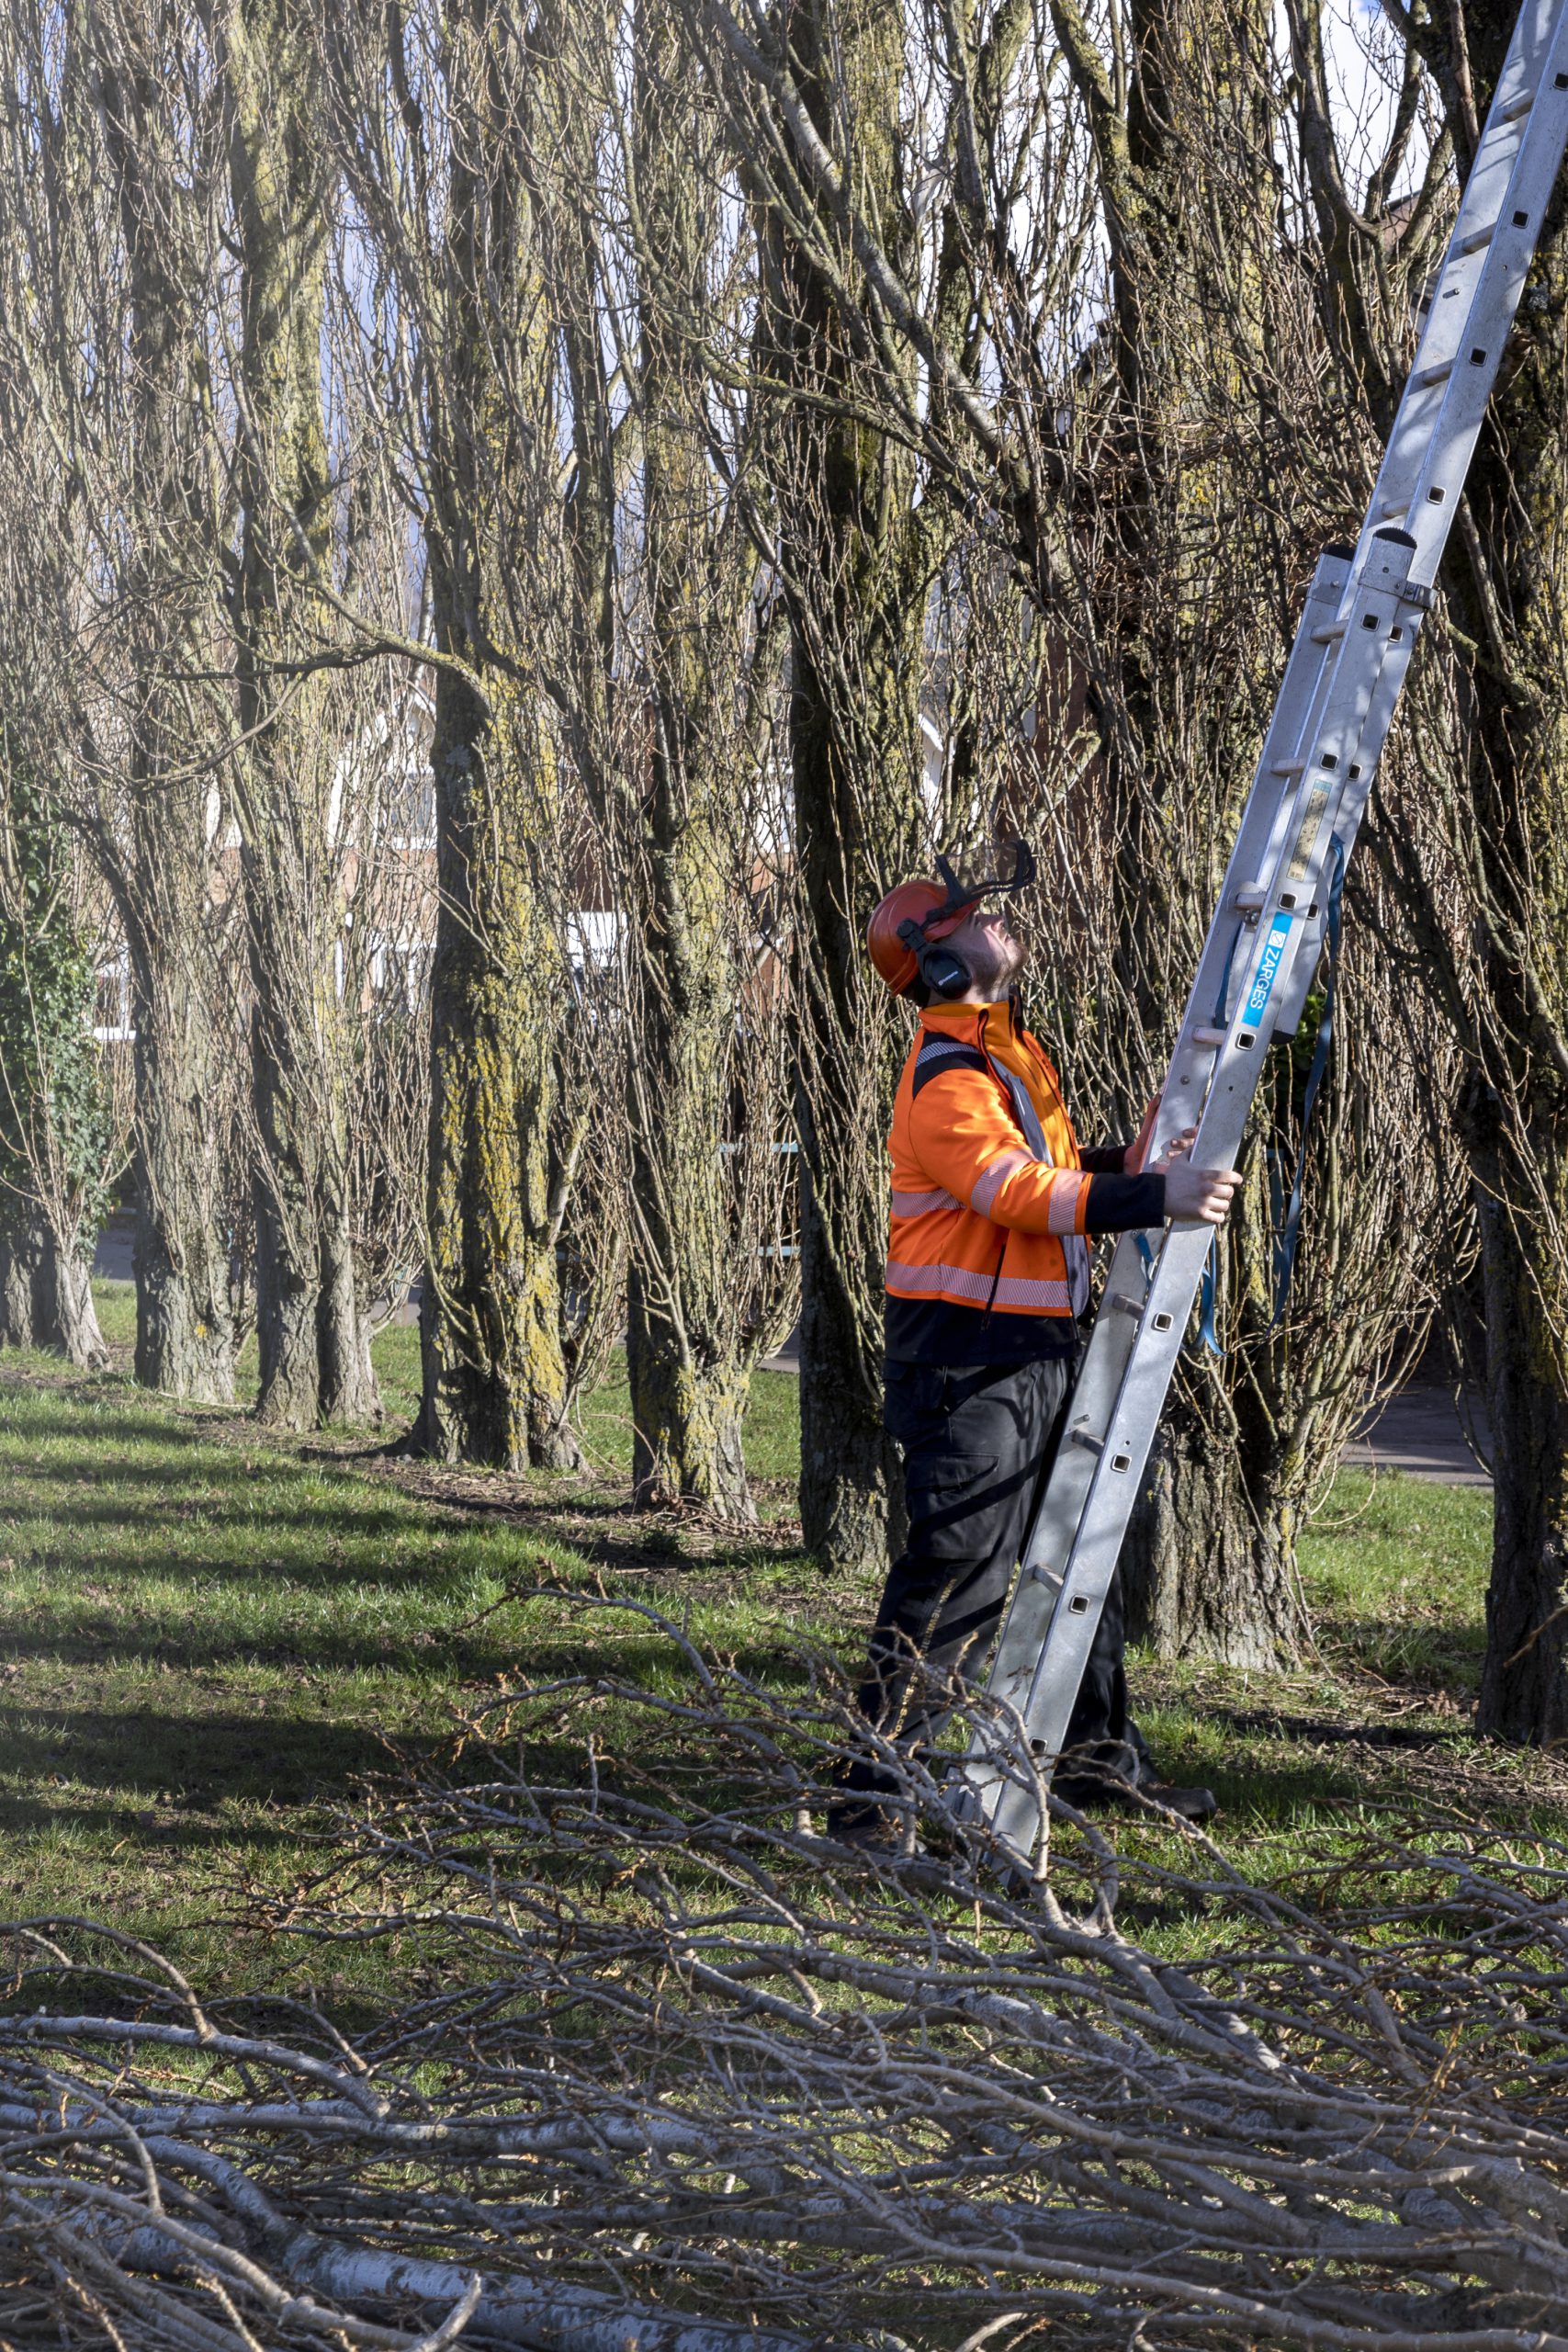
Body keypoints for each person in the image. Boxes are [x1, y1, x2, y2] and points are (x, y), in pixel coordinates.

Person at [832, 858, 1243, 1844]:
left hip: (1035, 1349)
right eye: (971, 920)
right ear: (937, 967)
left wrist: (1129, 1166)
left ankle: (1095, 1760)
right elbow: (1012, 1194)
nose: (996, 921)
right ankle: (870, 1797)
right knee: (961, 1572)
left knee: (1079, 1536)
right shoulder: (948, 1076)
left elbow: (1052, 1171)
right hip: (968, 1363)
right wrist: (1152, 1199)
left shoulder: (1009, 1054)